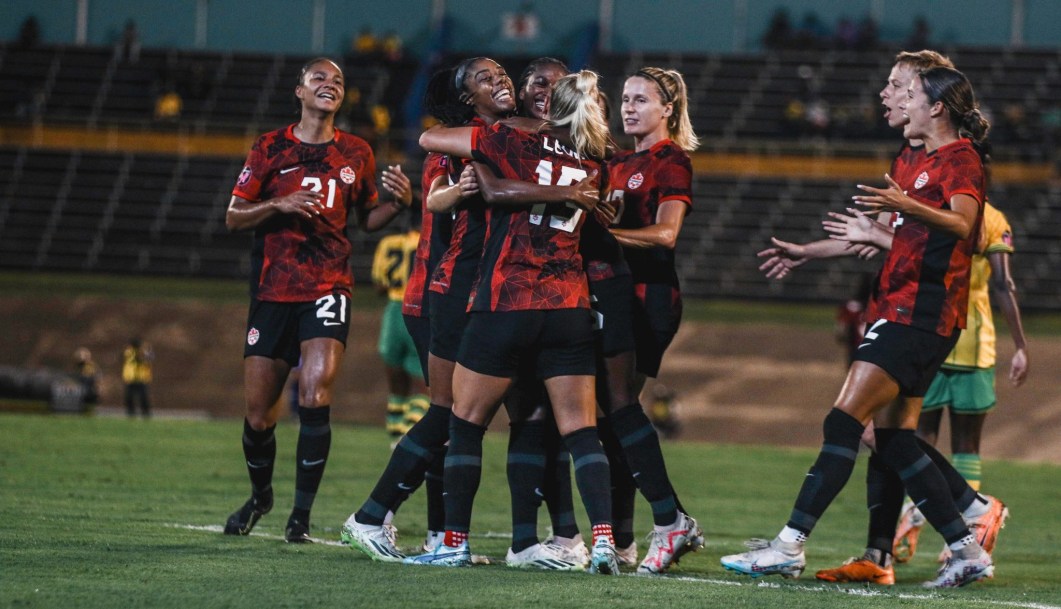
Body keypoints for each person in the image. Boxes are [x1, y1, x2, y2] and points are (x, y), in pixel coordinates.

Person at [722, 65, 996, 589]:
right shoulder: (913, 158)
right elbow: (878, 237)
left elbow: (966, 226)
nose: (896, 98)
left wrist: (903, 204)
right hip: (904, 307)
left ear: (936, 106)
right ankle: (966, 548)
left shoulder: (960, 159)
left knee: (844, 422)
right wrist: (809, 252)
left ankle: (789, 545)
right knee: (892, 439)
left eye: (908, 91)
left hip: (919, 312)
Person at [405, 69, 620, 574]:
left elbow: (431, 137)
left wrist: (491, 174)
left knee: (466, 421)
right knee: (580, 430)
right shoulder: (594, 163)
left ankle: (454, 541)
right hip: (568, 306)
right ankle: (605, 542)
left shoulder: (506, 139)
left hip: (506, 302)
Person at [222, 57, 410, 544]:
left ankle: (300, 517)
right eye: (319, 79)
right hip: (272, 291)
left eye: (339, 81)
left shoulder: (356, 152)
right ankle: (261, 496)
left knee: (315, 393)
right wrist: (276, 205)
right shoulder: (269, 147)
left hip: (328, 286)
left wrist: (397, 204)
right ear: (299, 91)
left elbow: (366, 218)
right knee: (259, 414)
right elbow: (234, 216)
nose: (330, 86)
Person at [598, 66, 704, 573]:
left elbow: (666, 236)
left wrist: (600, 238)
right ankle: (624, 539)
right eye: (625, 98)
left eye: (642, 99)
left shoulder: (671, 161)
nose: (629, 106)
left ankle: (668, 520)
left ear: (668, 110)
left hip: (649, 297)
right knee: (610, 417)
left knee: (618, 409)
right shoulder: (617, 161)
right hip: (616, 295)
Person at [370, 212, 428, 443]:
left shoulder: (388, 243)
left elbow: (378, 286)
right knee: (426, 390)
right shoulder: (428, 244)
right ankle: (408, 438)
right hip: (418, 311)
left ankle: (395, 439)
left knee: (397, 388)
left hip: (393, 312)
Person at [122, 337, 152, 417]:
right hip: (130, 378)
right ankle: (131, 412)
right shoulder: (129, 352)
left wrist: (146, 351)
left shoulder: (144, 352)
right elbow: (134, 359)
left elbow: (150, 357)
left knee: (143, 397)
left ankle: (145, 413)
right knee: (129, 397)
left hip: (141, 378)